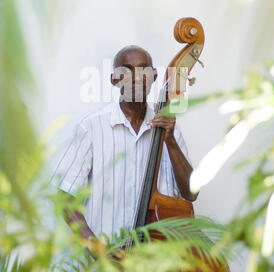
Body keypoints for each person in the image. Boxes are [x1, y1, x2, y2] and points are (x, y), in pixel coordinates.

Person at [53, 45, 197, 254]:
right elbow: (64, 199)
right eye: (127, 70)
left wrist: (171, 142)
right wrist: (99, 251)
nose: (137, 77)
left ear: (154, 76)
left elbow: (191, 193)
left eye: (143, 70)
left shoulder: (169, 130)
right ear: (114, 79)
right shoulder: (91, 128)